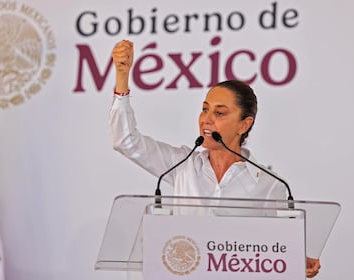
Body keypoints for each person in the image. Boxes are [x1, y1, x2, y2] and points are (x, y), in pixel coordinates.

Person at [110, 39, 321, 278]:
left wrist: (294, 259)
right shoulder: (183, 166)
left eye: (219, 113)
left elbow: (275, 249)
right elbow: (125, 141)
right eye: (204, 109)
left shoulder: (270, 184)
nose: (206, 119)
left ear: (244, 124)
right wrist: (122, 79)